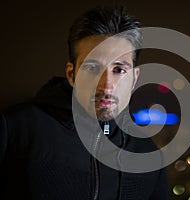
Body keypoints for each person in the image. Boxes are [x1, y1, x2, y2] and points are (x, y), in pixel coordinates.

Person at [0, 6, 168, 200]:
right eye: (92, 68)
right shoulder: (15, 130)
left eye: (119, 70)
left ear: (134, 78)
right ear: (72, 74)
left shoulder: (148, 155)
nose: (106, 86)